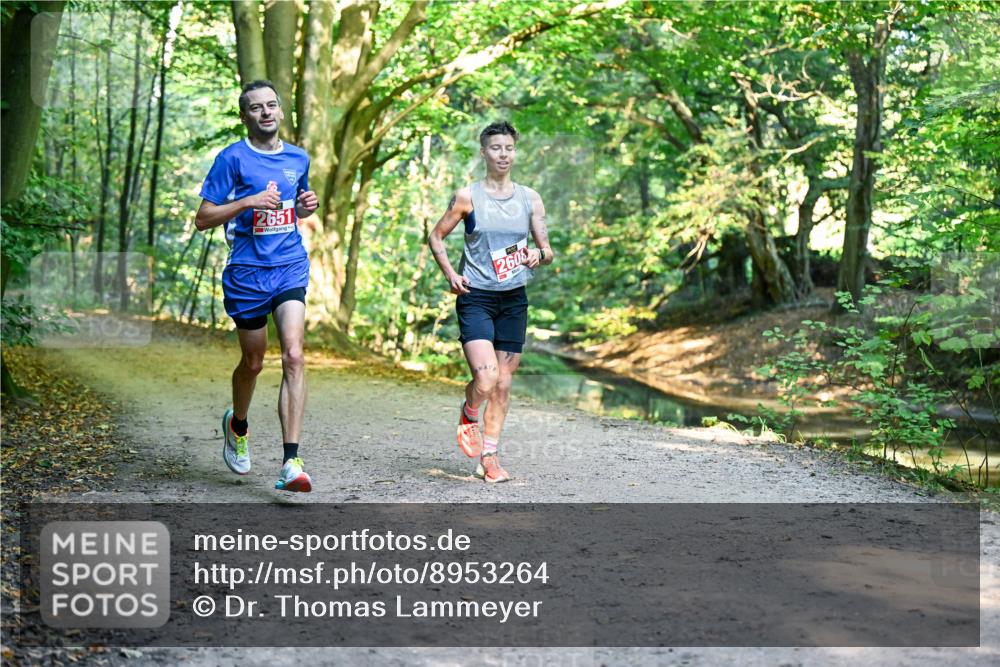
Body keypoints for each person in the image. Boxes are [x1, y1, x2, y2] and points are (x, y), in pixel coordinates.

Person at [194, 80, 317, 492]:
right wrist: (247, 202)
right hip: (247, 272)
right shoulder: (231, 158)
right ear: (244, 115)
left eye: (271, 105)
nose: (266, 112)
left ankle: (291, 461)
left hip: (289, 266)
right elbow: (203, 218)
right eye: (256, 107)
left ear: (280, 111)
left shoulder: (298, 157)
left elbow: (296, 204)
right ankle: (238, 425)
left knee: (294, 355)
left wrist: (306, 205)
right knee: (253, 362)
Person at [428, 121, 554, 482]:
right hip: (477, 298)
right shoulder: (468, 197)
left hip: (514, 299)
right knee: (485, 379)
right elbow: (436, 237)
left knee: (503, 384)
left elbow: (547, 250)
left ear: (515, 152)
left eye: (509, 148)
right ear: (484, 152)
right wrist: (451, 275)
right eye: (496, 148)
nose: (503, 154)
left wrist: (538, 254)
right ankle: (469, 413)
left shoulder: (530, 198)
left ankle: (490, 457)